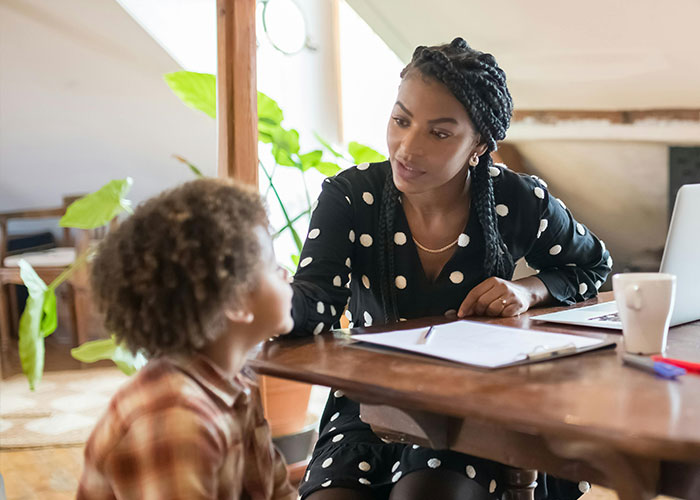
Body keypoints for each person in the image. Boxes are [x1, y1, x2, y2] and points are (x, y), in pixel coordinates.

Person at [291, 38, 610, 500]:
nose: (407, 147)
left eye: (438, 133)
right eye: (401, 120)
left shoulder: (517, 199)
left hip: (474, 411)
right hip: (368, 407)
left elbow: (591, 263)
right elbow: (316, 299)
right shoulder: (349, 196)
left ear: (479, 143)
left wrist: (530, 291)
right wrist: (269, 299)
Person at [76, 179, 297, 500]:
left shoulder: (235, 385)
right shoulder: (174, 420)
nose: (286, 274)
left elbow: (275, 491)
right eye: (273, 266)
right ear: (235, 302)